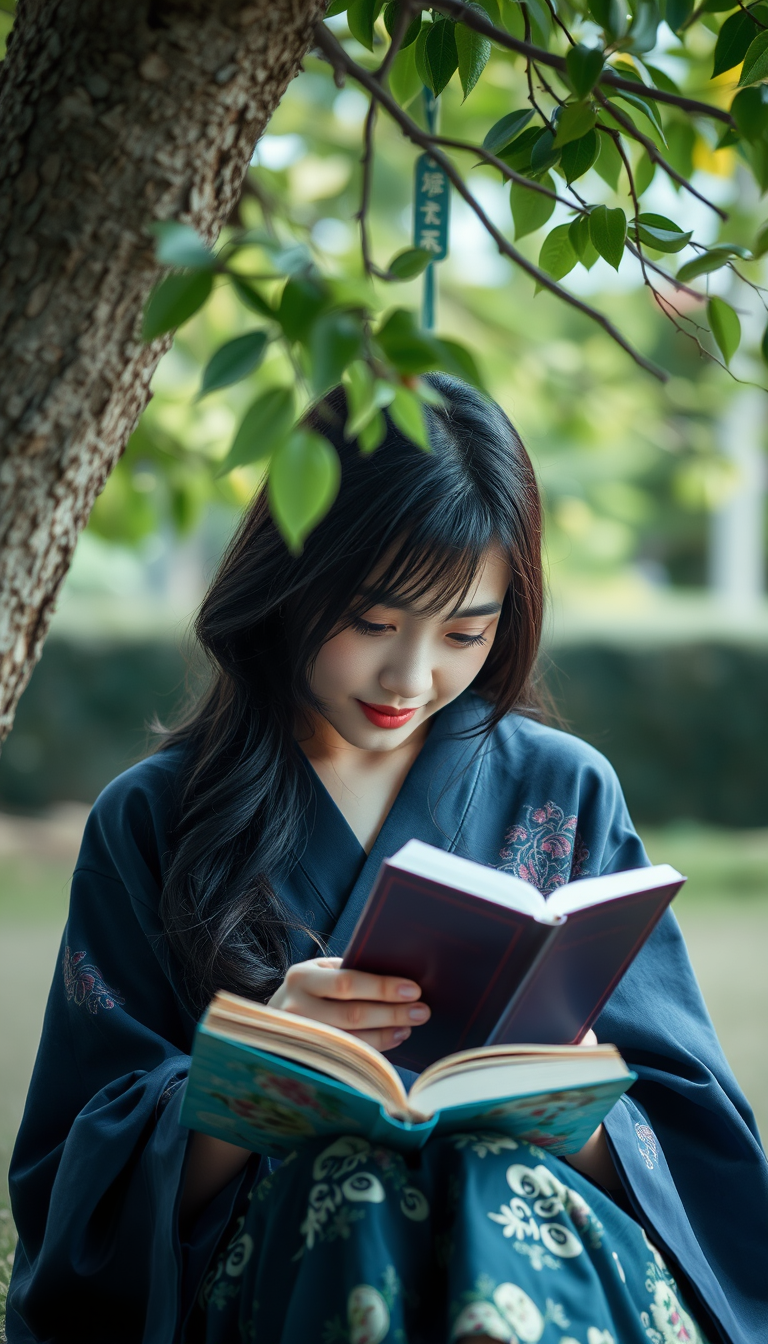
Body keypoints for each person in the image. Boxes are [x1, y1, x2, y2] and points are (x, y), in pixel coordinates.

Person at [6, 377, 767, 1344]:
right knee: (350, 1189)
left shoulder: (566, 793)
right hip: (293, 1262)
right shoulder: (153, 818)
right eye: (373, 622)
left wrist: (575, 1105)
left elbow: (701, 1151)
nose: (412, 679)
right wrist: (260, 1069)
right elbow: (77, 1193)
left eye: (464, 633)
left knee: (494, 1184)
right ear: (289, 577)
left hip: (536, 1232)